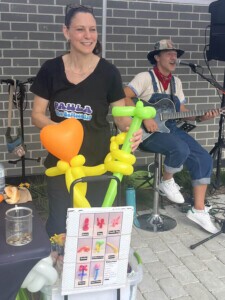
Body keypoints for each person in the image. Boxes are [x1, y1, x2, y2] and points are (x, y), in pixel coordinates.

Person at [30, 4, 142, 237]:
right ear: (66, 32)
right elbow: (37, 115)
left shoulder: (109, 72)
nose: (88, 36)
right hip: (60, 163)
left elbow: (121, 119)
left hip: (98, 165)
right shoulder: (50, 70)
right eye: (80, 29)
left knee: (94, 227)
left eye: (92, 29)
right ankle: (59, 259)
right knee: (59, 224)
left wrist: (133, 132)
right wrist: (63, 130)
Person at [124, 39, 220, 234]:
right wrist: (144, 117)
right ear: (157, 57)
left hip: (171, 130)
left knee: (202, 157)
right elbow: (123, 96)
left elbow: (182, 110)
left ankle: (198, 210)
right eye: (168, 53)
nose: (174, 56)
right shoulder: (144, 77)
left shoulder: (176, 83)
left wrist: (202, 117)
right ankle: (166, 181)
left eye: (175, 53)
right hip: (147, 132)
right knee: (180, 148)